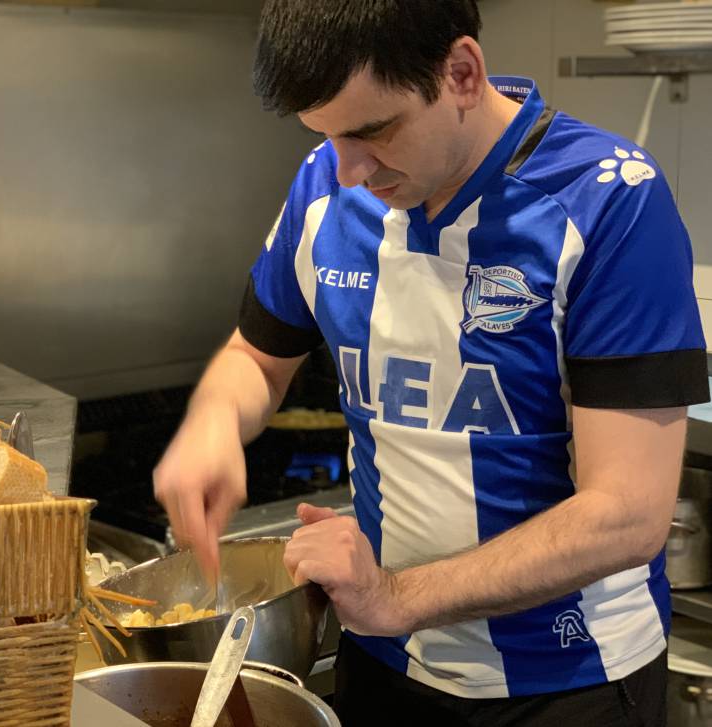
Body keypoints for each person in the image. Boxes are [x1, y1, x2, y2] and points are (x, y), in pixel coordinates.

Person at [153, 1, 710, 724]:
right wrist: (213, 423)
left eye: (372, 131)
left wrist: (394, 596)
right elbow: (257, 359)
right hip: (384, 664)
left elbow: (628, 513)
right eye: (325, 136)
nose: (348, 171)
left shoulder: (608, 198)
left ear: (462, 74)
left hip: (570, 681)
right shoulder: (326, 186)